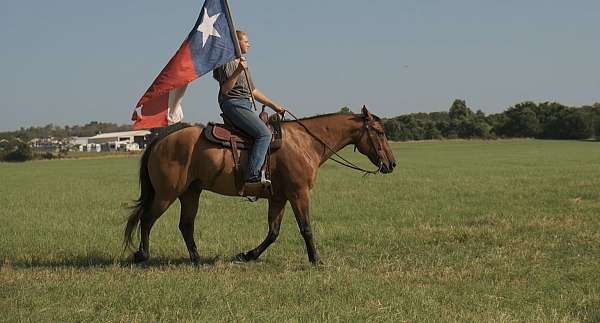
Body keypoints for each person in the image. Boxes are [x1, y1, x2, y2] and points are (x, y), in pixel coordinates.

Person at [213, 30, 286, 189]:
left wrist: (274, 105)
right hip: (233, 103)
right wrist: (239, 70)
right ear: (236, 43)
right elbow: (226, 89)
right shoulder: (227, 61)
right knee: (264, 133)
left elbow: (252, 91)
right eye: (245, 41)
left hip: (245, 103)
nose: (249, 44)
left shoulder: (242, 62)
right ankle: (252, 176)